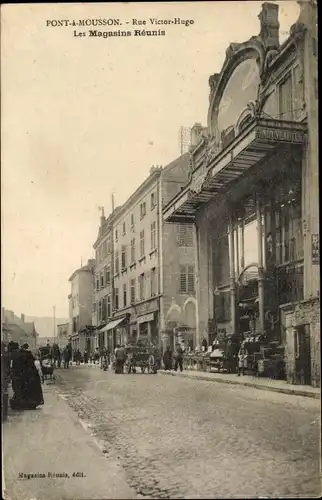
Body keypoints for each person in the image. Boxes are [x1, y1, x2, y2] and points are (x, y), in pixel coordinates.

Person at [10, 343, 44, 410]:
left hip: (23, 375)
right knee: (30, 390)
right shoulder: (27, 354)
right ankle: (29, 403)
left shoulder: (17, 355)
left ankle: (23, 403)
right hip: (30, 375)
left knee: (22, 390)